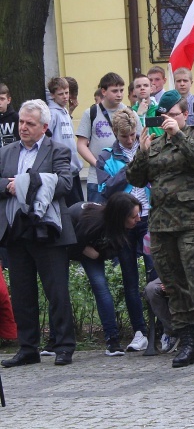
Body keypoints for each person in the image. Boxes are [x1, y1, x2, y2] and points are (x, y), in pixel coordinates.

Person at [126, 89, 194, 369]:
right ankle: (187, 344)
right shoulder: (157, 142)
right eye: (164, 116)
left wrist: (179, 135)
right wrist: (142, 151)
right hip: (163, 225)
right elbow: (136, 179)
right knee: (174, 286)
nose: (168, 120)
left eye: (174, 115)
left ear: (185, 114)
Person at [0, 100, 76, 368]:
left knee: (56, 291)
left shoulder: (58, 150)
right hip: (16, 229)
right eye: (21, 122)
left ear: (44, 127)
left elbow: (65, 183)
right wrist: (10, 186)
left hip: (48, 230)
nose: (23, 127)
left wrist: (26, 184)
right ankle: (27, 347)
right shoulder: (7, 152)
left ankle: (64, 346)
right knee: (22, 293)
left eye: (30, 124)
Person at [96, 108, 154, 352]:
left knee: (155, 275)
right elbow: (105, 189)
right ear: (115, 134)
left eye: (132, 135)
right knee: (130, 279)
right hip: (125, 223)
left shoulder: (150, 147)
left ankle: (159, 329)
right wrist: (131, 166)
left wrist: (143, 155)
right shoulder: (106, 156)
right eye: (124, 137)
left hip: (149, 217)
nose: (130, 140)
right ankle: (140, 331)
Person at [67, 194, 144, 355]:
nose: (138, 219)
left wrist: (100, 254)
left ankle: (133, 334)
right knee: (100, 285)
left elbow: (113, 250)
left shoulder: (123, 228)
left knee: (109, 285)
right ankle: (112, 340)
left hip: (96, 247)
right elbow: (72, 245)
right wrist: (91, 253)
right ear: (120, 217)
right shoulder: (92, 223)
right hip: (75, 240)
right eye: (134, 216)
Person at [76, 72, 141, 203]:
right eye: (115, 91)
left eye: (121, 90)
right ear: (103, 91)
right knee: (98, 218)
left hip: (125, 177)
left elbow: (139, 141)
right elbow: (81, 145)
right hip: (97, 178)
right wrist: (99, 164)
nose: (119, 94)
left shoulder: (131, 113)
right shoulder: (91, 113)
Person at [47, 77, 84, 206]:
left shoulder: (64, 112)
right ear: (52, 95)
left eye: (66, 93)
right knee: (72, 206)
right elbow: (48, 137)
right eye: (60, 94)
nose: (65, 97)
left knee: (79, 203)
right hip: (62, 168)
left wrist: (70, 111)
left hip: (72, 167)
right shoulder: (52, 113)